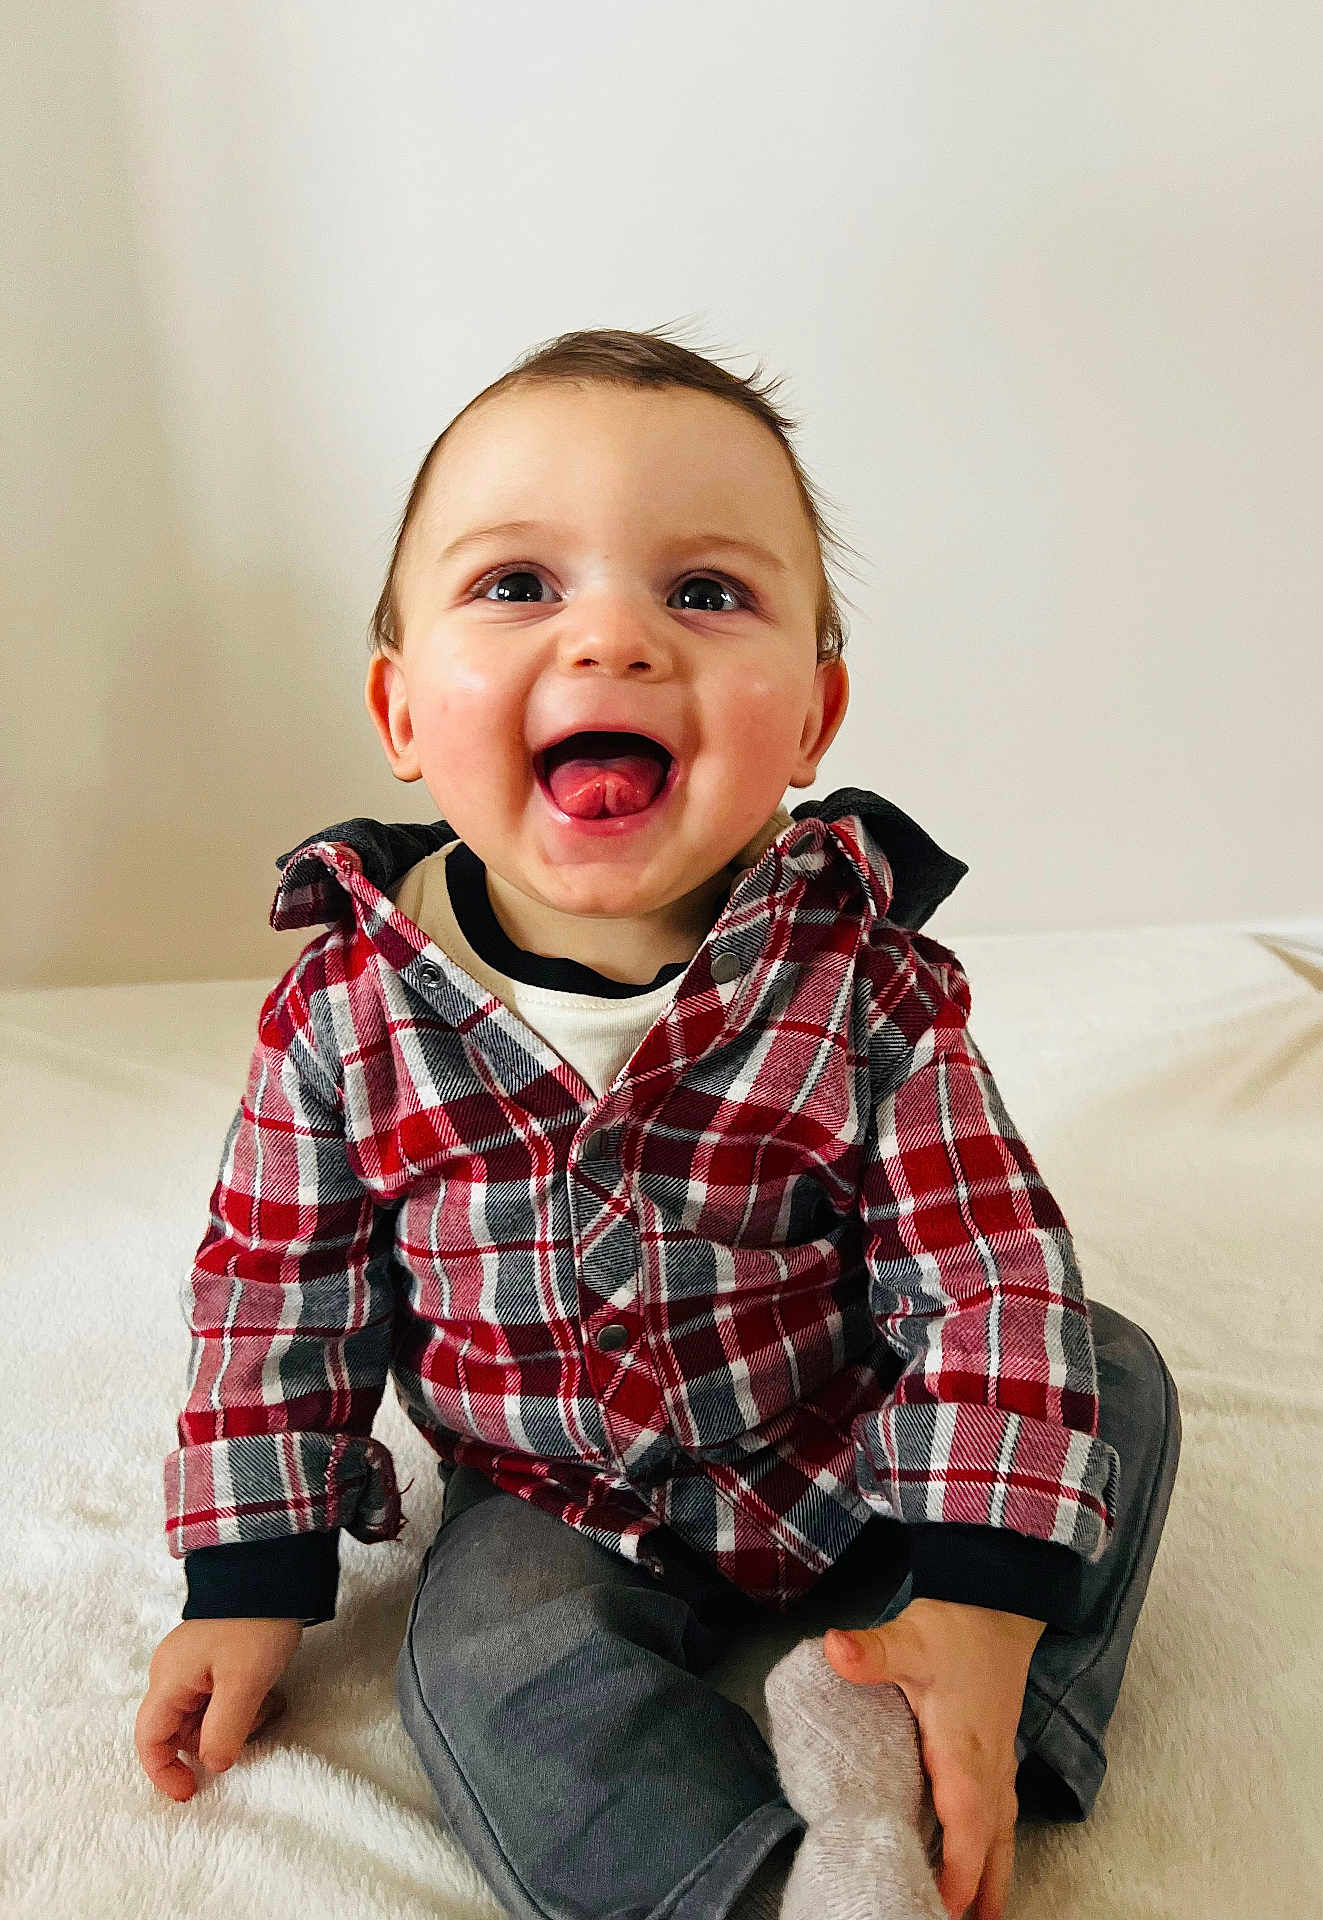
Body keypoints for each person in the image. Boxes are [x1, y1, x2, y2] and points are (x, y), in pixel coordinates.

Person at [134, 327, 1182, 1920]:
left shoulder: (858, 981)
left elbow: (983, 1270)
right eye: (515, 586)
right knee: (483, 1656)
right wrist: (250, 1577)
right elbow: (279, 1295)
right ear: (400, 708)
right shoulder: (346, 1018)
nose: (613, 637)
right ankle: (752, 1886)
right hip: (552, 1496)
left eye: (705, 593)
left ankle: (933, 1729)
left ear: (817, 714)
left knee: (1103, 1375)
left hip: (840, 1440)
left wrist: (982, 1580)